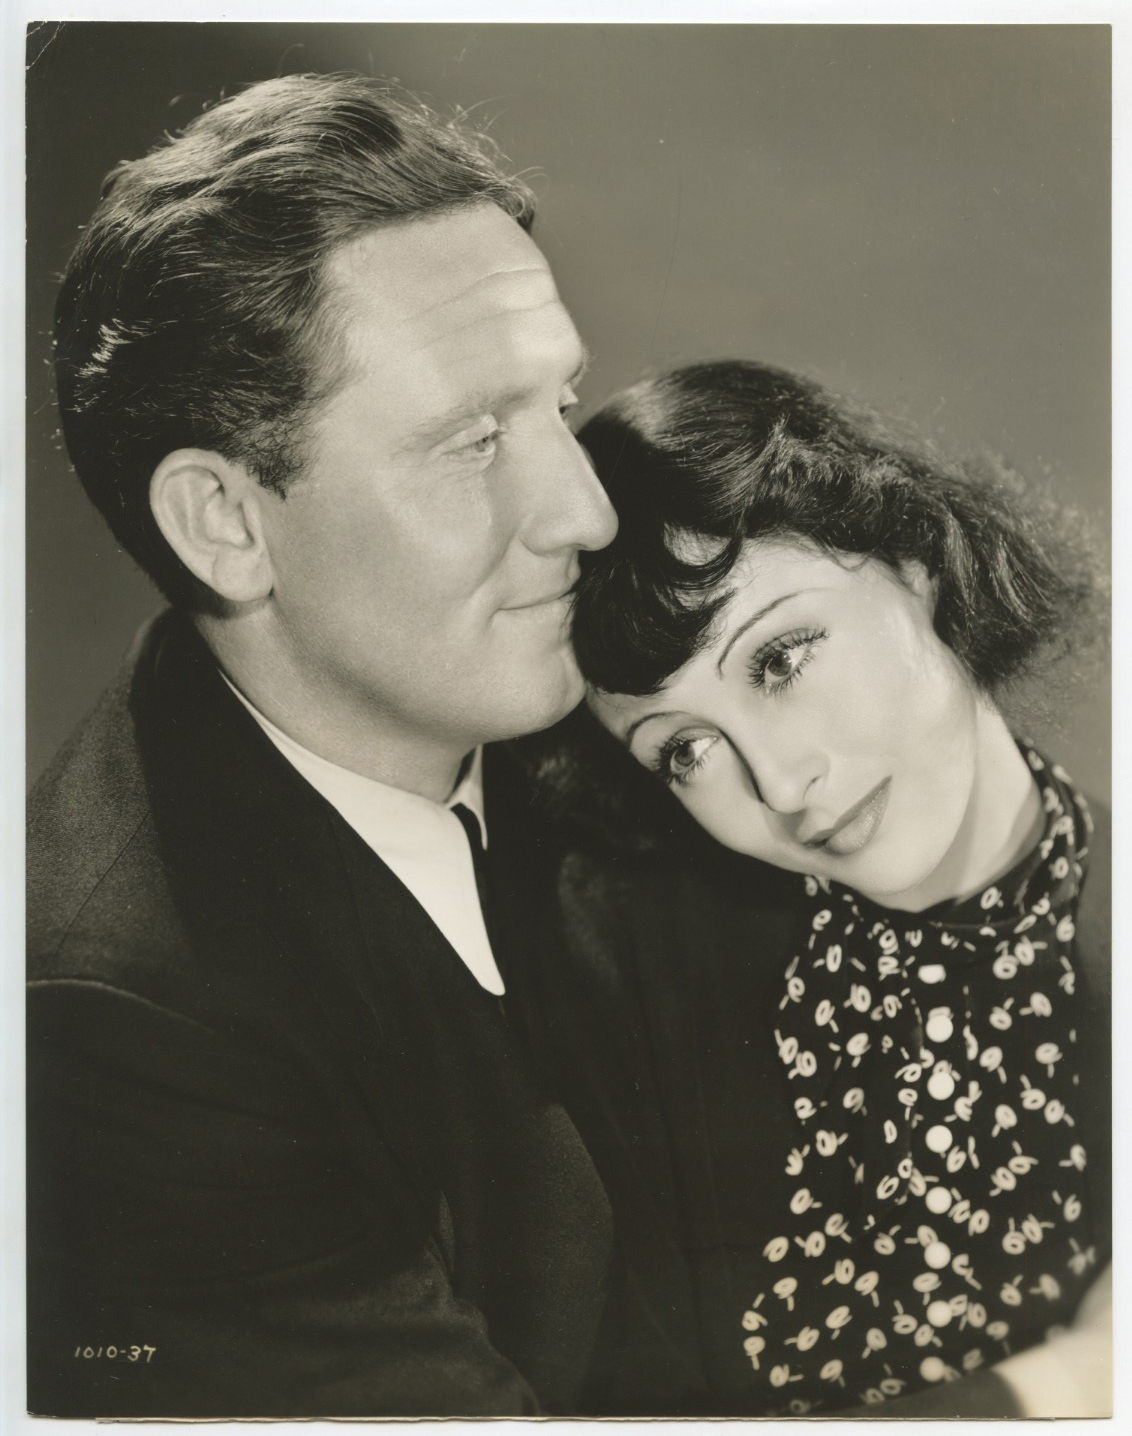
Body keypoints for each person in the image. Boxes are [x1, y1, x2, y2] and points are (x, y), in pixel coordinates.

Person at [26, 73, 623, 1418]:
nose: (584, 513)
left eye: (561, 405)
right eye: (475, 439)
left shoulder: (606, 711)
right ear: (226, 524)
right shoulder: (114, 1036)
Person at [539, 359, 1111, 1416]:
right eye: (684, 751)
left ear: (912, 560)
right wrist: (1073, 1380)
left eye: (780, 659)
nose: (781, 782)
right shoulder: (635, 964)